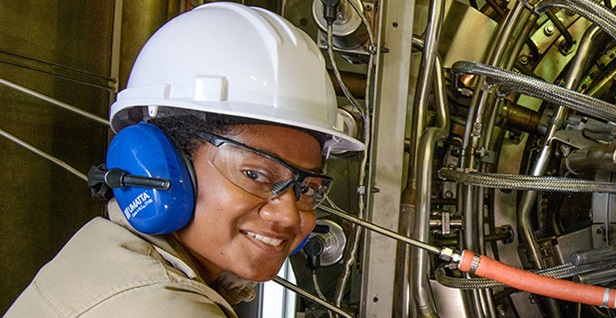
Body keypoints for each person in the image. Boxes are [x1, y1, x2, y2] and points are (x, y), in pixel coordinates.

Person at [5, 2, 363, 317]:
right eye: (255, 174)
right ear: (157, 168)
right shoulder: (163, 308)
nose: (288, 214)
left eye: (307, 188)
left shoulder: (104, 257)